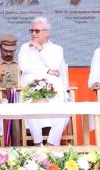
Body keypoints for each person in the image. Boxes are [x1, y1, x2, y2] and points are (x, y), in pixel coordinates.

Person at [19, 17, 70, 147]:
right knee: (31, 102)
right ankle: (37, 142)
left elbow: (54, 64)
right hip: (31, 84)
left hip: (53, 86)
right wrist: (47, 71)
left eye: (37, 31)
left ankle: (52, 143)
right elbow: (24, 67)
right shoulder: (25, 47)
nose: (33, 34)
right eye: (31, 30)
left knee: (64, 105)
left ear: (47, 32)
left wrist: (41, 50)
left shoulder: (57, 49)